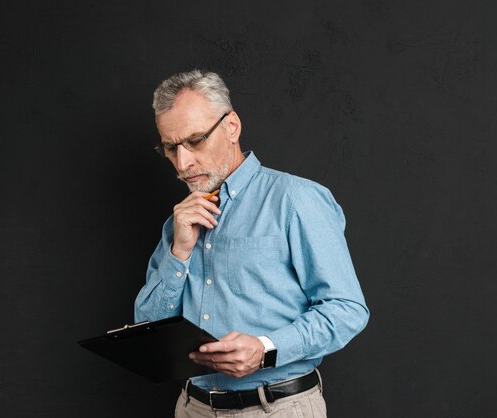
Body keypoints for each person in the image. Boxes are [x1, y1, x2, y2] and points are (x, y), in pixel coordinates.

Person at [134, 69, 369, 417]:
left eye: (195, 140)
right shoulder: (178, 222)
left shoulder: (296, 200)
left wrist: (265, 349)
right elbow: (146, 331)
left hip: (276, 408)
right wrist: (178, 251)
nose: (182, 164)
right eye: (171, 148)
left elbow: (347, 309)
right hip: (191, 407)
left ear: (231, 126)